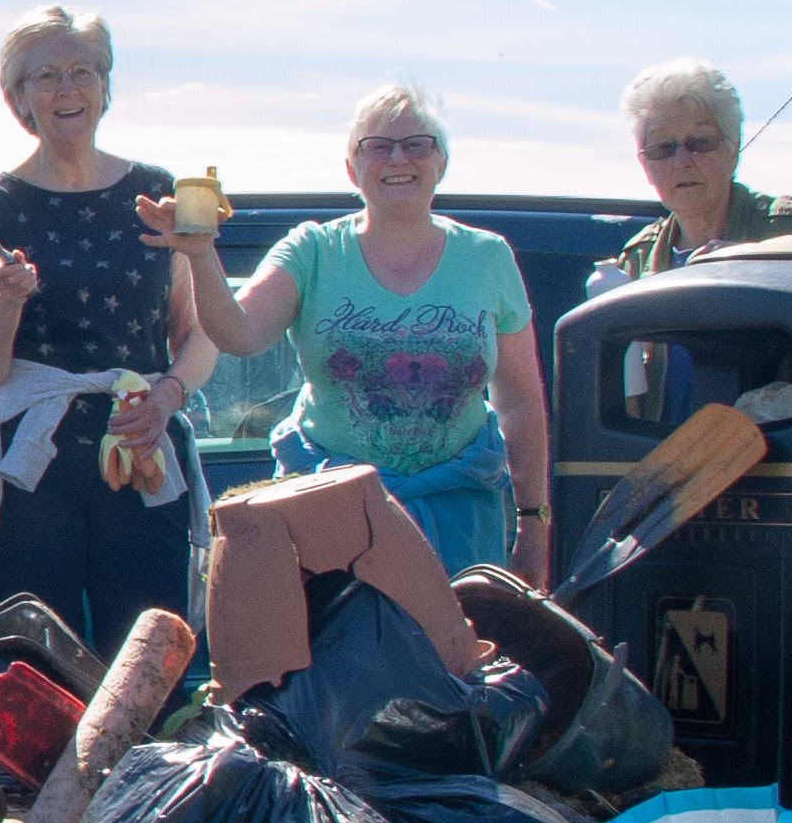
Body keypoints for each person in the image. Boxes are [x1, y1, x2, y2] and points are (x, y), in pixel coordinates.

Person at [152, 84, 550, 583]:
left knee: (454, 660)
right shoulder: (313, 249)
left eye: (416, 144)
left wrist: (534, 523)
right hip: (330, 514)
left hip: (461, 521)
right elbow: (240, 333)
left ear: (441, 162)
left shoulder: (488, 256)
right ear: (351, 169)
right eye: (376, 146)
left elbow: (520, 402)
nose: (397, 157)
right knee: (340, 660)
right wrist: (200, 255)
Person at [0, 6, 220, 653]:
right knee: (38, 666)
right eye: (46, 77)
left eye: (83, 72)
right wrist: (9, 304)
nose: (68, 90)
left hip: (143, 447)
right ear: (19, 98)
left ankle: (150, 762)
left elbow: (200, 332)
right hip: (31, 470)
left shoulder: (156, 193)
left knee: (150, 658)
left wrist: (168, 398)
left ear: (105, 86)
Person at [611, 59, 792, 279]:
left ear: (733, 148)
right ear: (644, 164)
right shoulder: (636, 261)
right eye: (663, 148)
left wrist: (759, 264)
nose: (682, 161)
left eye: (700, 142)